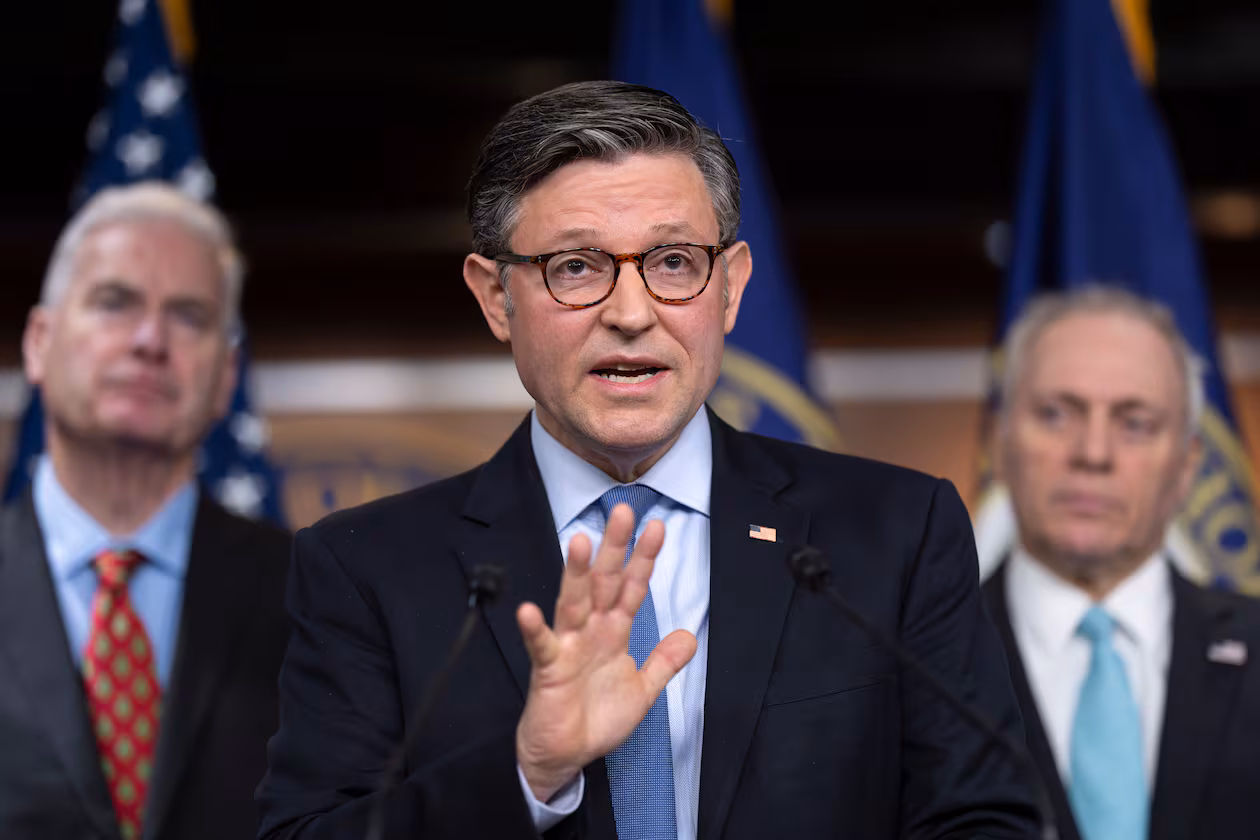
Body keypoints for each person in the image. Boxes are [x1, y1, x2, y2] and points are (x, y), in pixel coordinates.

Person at [257, 80, 1037, 839]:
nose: (631, 315)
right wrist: (530, 775)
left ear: (729, 288)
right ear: (496, 298)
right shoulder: (365, 568)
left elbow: (981, 820)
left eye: (672, 263)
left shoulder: (894, 534)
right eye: (576, 267)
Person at [0, 183, 291, 840]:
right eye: (114, 302)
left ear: (224, 379)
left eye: (189, 316)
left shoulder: (317, 597)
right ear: (39, 343)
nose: (150, 339)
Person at [982, 286, 1260, 840]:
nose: (1093, 453)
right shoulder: (905, 661)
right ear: (999, 442)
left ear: (1186, 467)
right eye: (1057, 414)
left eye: (1135, 423)